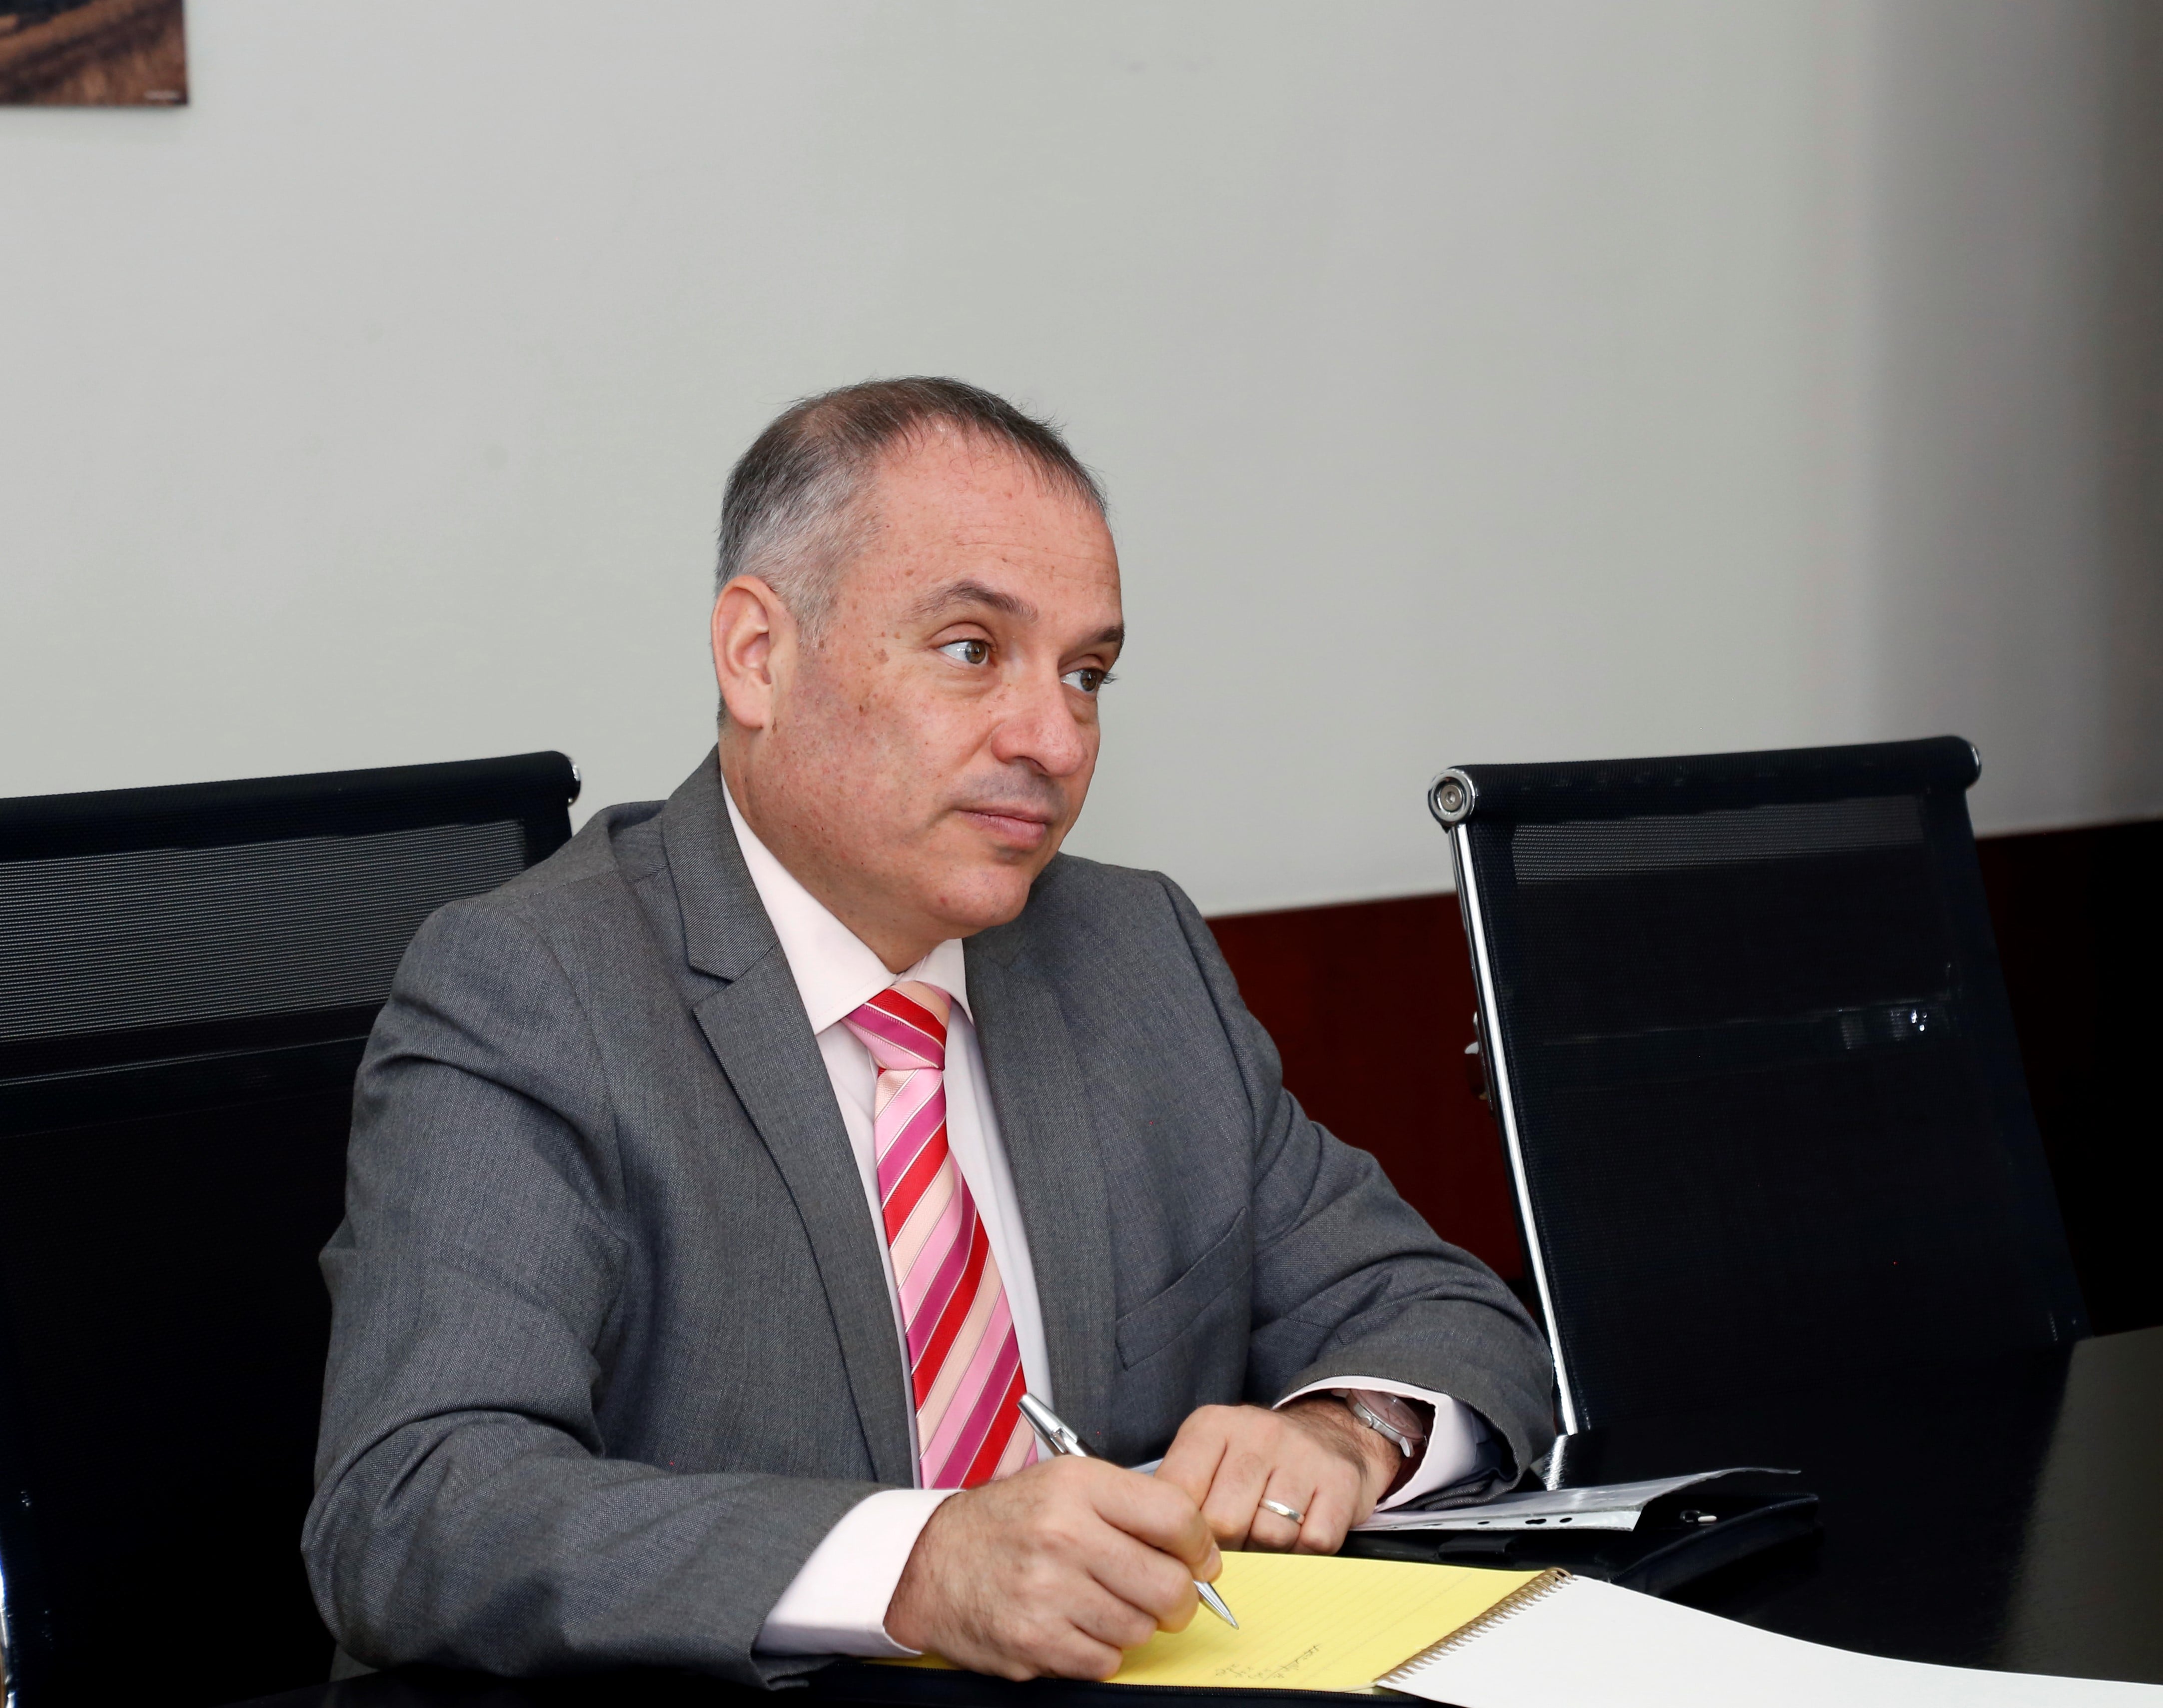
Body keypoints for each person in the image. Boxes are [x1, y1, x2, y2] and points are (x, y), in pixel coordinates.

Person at [303, 378, 1555, 1687]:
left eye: (1086, 674)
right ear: (758, 656)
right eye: (972, 650)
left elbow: (1440, 1310)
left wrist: (1344, 1432)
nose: (1054, 738)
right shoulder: (533, 987)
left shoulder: (1132, 951)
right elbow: (414, 1501)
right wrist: (913, 1564)